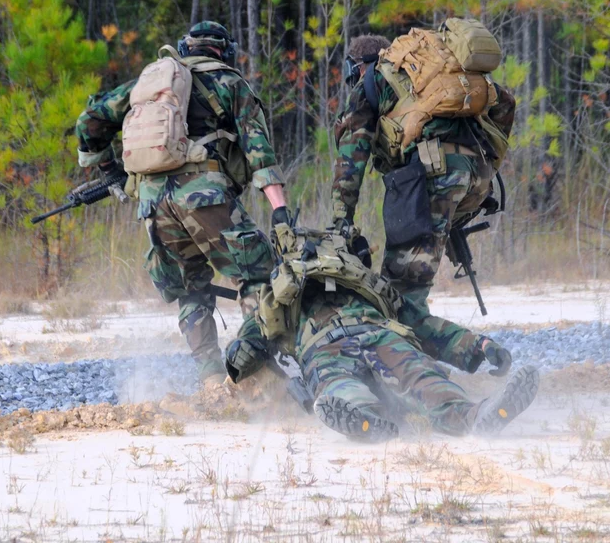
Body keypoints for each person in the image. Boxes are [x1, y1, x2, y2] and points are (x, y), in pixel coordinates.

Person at [74, 22, 289, 381]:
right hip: (205, 195)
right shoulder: (231, 83)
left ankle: (210, 377)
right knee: (260, 277)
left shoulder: (151, 85)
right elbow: (260, 157)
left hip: (153, 204)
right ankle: (251, 372)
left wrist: (111, 172)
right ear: (223, 50)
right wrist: (280, 211)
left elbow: (89, 122)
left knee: (191, 288)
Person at [225, 224, 538, 441]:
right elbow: (249, 343)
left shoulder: (371, 287)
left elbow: (424, 325)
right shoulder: (277, 297)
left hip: (371, 335)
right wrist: (240, 354)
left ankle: (478, 416)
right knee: (339, 386)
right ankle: (366, 420)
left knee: (423, 376)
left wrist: (480, 345)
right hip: (329, 347)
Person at [331, 33, 510, 324]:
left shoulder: (372, 81)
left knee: (400, 290)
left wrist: (341, 219)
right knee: (413, 273)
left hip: (434, 177)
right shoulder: (431, 79)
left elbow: (352, 158)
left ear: (359, 66)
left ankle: (416, 363)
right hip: (477, 179)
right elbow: (505, 104)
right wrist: (487, 170)